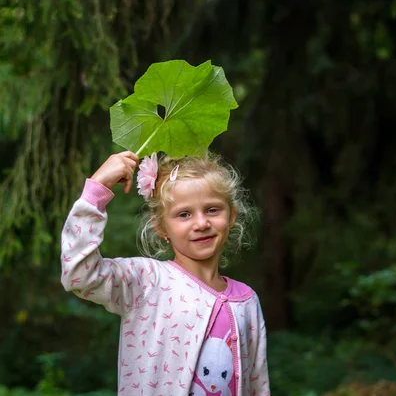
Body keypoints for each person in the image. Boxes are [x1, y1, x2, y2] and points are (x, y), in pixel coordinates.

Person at [60, 150, 269, 396]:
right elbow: (80, 275)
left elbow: (257, 384)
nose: (201, 223)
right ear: (161, 227)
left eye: (212, 210)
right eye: (184, 214)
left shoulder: (246, 299)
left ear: (231, 216)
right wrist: (96, 191)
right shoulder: (148, 281)